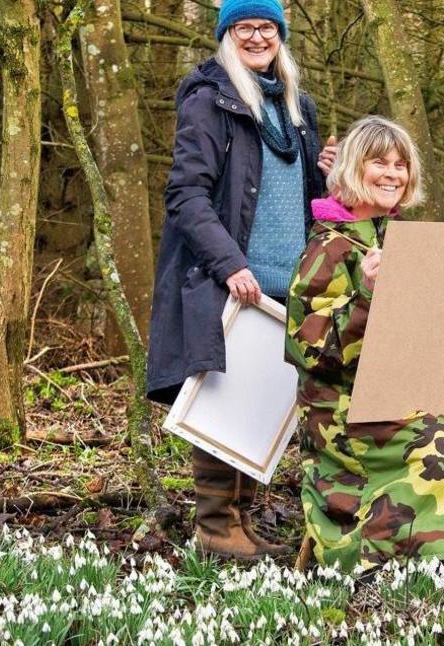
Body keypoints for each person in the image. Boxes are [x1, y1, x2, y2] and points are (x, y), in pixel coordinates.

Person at [285, 116, 444, 572]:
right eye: (378, 162)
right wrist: (363, 293)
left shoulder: (400, 238)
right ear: (352, 169)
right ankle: (399, 561)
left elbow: (442, 327)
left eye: (401, 165)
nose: (392, 173)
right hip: (344, 411)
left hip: (397, 392)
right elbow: (310, 353)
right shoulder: (329, 248)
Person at [146, 0, 338, 561]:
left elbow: (306, 205)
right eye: (244, 27)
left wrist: (326, 176)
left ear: (280, 34)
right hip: (229, 281)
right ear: (227, 35)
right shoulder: (210, 101)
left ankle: (241, 521)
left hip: (289, 286)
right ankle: (214, 525)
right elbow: (186, 194)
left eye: (267, 27)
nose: (257, 36)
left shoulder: (298, 107)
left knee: (261, 401)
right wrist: (230, 264)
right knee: (224, 401)